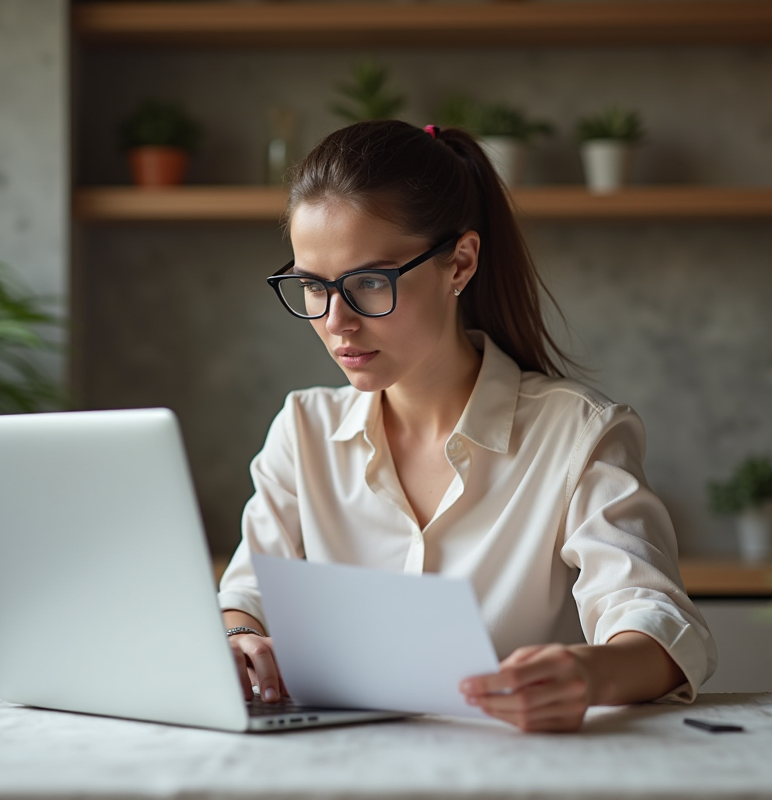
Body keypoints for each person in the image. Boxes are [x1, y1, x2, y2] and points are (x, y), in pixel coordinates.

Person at [218, 120, 716, 733]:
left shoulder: (576, 433)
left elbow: (653, 617)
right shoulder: (303, 430)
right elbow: (245, 598)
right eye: (313, 287)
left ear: (460, 263)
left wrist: (590, 675)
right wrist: (242, 637)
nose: (335, 321)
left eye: (370, 282)